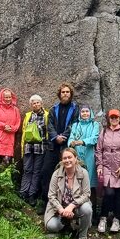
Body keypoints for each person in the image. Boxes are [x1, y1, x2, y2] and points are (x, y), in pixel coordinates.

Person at [40, 83, 79, 213]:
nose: (65, 94)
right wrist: (55, 136)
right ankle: (45, 201)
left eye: (67, 92)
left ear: (71, 94)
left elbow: (74, 124)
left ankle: (63, 203)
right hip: (53, 145)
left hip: (66, 146)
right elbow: (49, 124)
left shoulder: (75, 109)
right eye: (63, 92)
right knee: (46, 171)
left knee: (65, 173)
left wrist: (64, 136)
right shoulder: (54, 109)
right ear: (59, 94)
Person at [44, 147, 92, 239]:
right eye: (64, 158)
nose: (67, 160)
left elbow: (86, 194)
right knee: (51, 226)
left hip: (77, 207)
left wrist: (72, 205)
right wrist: (61, 210)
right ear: (62, 161)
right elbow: (51, 196)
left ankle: (82, 238)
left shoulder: (83, 173)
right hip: (59, 208)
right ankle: (69, 226)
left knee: (87, 209)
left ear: (75, 158)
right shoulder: (56, 174)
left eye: (70, 157)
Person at [95, 109, 120, 233]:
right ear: (108, 119)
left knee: (119, 194)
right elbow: (98, 149)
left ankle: (117, 219)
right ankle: (103, 218)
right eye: (112, 117)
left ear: (119, 119)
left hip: (119, 167)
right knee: (109, 193)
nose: (114, 119)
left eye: (116, 117)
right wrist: (99, 165)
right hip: (106, 166)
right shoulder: (104, 131)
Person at [67, 106, 100, 217]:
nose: (85, 113)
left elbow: (95, 138)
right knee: (77, 183)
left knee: (90, 184)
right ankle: (77, 211)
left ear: (90, 113)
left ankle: (93, 213)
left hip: (89, 157)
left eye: (87, 111)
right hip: (77, 157)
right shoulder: (76, 125)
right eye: (83, 112)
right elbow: (71, 137)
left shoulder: (94, 124)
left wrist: (82, 142)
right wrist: (71, 143)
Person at [20, 94, 49, 206]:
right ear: (31, 105)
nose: (36, 105)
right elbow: (24, 131)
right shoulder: (28, 115)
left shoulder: (46, 115)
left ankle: (32, 194)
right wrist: (22, 148)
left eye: (37, 102)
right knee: (27, 169)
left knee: (37, 171)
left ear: (41, 103)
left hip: (40, 147)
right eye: (33, 103)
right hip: (28, 147)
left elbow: (48, 130)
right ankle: (23, 192)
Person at [0, 88, 21, 166]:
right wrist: (3, 126)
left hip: (8, 141)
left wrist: (11, 128)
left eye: (9, 97)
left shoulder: (15, 110)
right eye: (6, 97)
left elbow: (17, 125)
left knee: (6, 164)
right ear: (2, 97)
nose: (8, 99)